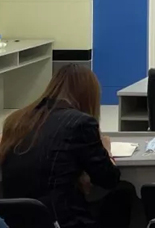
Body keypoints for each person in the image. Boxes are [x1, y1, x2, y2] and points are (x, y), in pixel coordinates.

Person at [0, 65, 135, 228]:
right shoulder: (81, 123)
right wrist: (106, 149)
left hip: (15, 220)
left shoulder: (16, 119)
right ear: (88, 95)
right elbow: (108, 179)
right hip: (60, 219)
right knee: (122, 192)